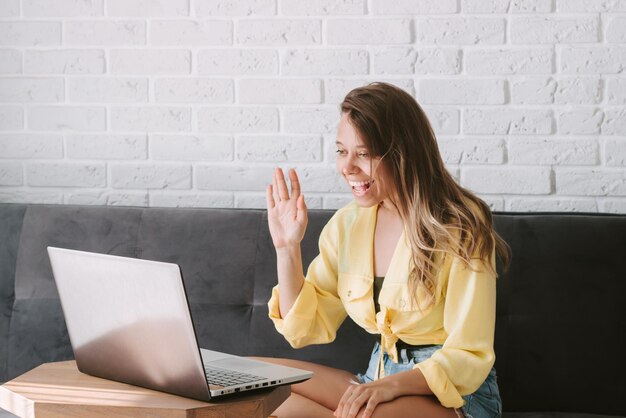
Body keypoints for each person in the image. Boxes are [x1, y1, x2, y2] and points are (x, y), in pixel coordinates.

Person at [261, 82, 511, 418]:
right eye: (341, 151)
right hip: (375, 382)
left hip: (454, 396)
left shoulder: (461, 224)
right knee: (258, 381)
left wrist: (391, 386)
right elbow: (304, 327)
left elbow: (469, 353)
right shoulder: (347, 224)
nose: (347, 167)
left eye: (363, 153)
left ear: (402, 153)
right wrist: (286, 248)